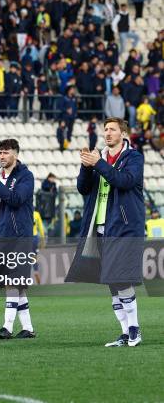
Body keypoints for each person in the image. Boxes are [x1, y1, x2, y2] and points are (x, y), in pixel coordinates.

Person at [65, 117, 145, 347]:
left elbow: (125, 181)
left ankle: (134, 330)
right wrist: (85, 165)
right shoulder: (100, 157)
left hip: (124, 227)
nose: (107, 133)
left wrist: (99, 163)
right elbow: (83, 188)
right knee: (111, 281)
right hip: (100, 226)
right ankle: (124, 332)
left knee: (120, 278)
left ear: (123, 133)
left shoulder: (134, 157)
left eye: (112, 129)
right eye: (105, 130)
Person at [0, 139, 36, 340]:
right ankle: (28, 328)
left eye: (5, 152)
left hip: (19, 237)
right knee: (16, 284)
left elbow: (16, 200)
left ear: (15, 153)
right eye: (0, 153)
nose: (2, 156)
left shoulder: (26, 176)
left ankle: (7, 327)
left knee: (12, 282)